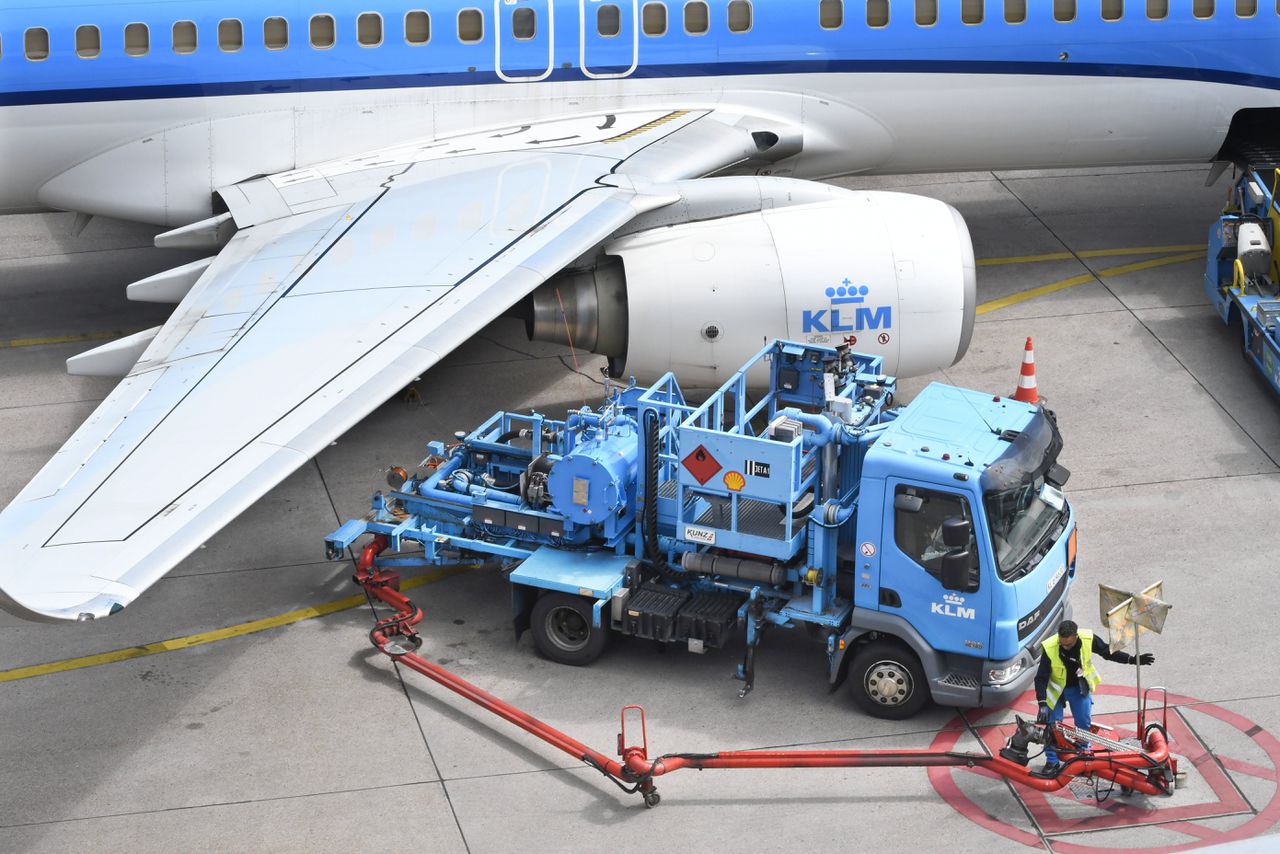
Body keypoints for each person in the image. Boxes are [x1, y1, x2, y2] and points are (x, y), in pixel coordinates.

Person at [1033, 619, 1155, 777]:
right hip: (1056, 690)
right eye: (1062, 644)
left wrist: (1131, 659)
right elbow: (1041, 678)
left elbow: (1107, 652)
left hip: (1078, 687)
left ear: (1076, 637)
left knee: (1084, 723)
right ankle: (1052, 761)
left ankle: (1084, 753)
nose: (1066, 647)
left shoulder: (1088, 639)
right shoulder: (1050, 647)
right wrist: (1042, 702)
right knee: (1052, 727)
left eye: (1069, 644)